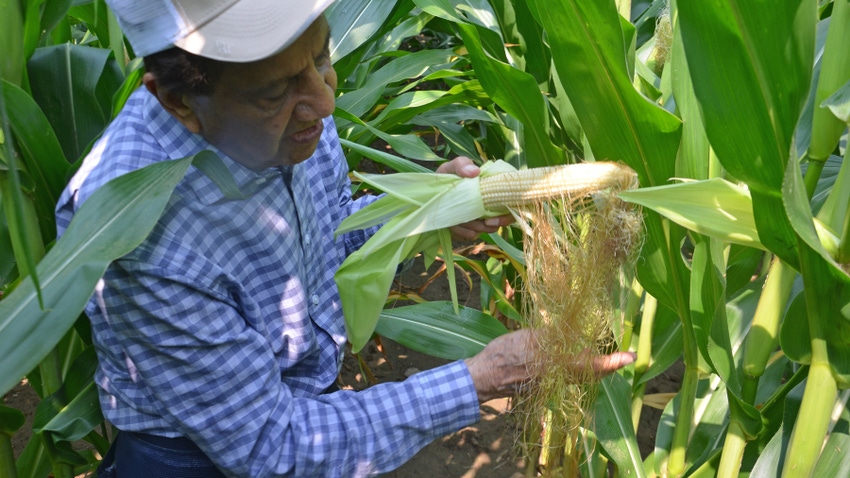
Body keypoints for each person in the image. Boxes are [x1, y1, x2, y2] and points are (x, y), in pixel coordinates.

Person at [55, 0, 636, 476]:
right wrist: (485, 377)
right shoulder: (135, 229)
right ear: (179, 101)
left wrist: (419, 216)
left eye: (323, 57)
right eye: (275, 93)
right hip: (196, 458)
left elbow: (322, 238)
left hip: (309, 403)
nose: (326, 102)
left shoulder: (299, 111)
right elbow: (269, 445)